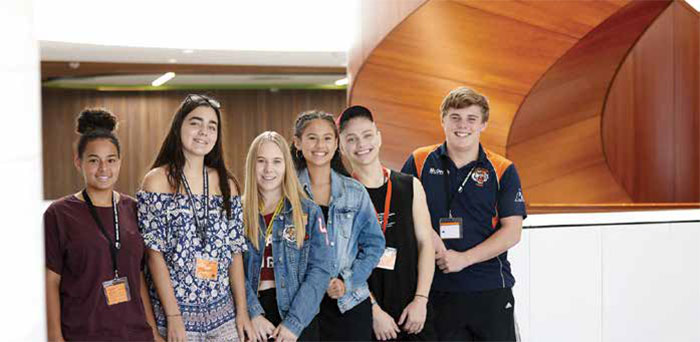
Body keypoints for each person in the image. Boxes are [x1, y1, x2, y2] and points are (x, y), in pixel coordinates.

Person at [401, 87, 527, 341]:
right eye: (455, 118)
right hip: (435, 291)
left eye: (471, 119)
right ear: (443, 120)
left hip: (490, 288)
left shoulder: (503, 169)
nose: (463, 126)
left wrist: (464, 259)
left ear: (483, 124)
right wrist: (431, 238)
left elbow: (512, 231)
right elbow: (404, 214)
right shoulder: (419, 160)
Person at [138, 94, 253, 342]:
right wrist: (173, 317)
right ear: (179, 126)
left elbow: (235, 252)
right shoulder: (157, 181)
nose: (204, 132)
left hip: (223, 315)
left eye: (212, 126)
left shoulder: (227, 184)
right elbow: (153, 253)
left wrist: (242, 312)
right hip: (175, 315)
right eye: (195, 123)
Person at [44, 108, 160, 341]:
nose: (103, 169)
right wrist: (55, 336)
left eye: (110, 160)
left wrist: (153, 332)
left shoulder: (134, 209)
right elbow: (51, 281)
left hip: (134, 333)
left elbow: (138, 277)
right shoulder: (59, 214)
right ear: (78, 162)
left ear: (120, 162)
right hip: (83, 333)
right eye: (94, 161)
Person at [337, 105, 437, 341]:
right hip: (366, 314)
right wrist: (373, 311)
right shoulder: (341, 196)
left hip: (413, 311)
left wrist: (421, 300)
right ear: (341, 146)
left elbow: (426, 245)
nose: (361, 144)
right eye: (351, 139)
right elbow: (342, 263)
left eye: (367, 135)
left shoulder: (409, 186)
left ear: (379, 137)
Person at [290, 110, 385, 341]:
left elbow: (374, 245)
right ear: (297, 143)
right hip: (300, 305)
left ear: (336, 145)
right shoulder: (287, 192)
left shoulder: (354, 191)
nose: (320, 145)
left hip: (348, 305)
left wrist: (347, 282)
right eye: (312, 137)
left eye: (327, 138)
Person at [241, 131, 332, 342]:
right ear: (251, 165)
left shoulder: (308, 212)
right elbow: (230, 267)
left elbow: (320, 269)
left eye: (276, 161)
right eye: (261, 161)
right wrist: (253, 312)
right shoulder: (237, 212)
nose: (268, 169)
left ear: (286, 166)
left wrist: (294, 323)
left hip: (297, 312)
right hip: (254, 316)